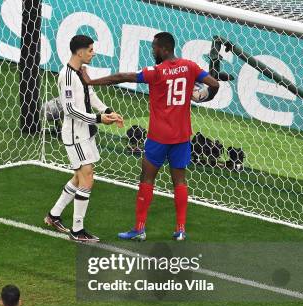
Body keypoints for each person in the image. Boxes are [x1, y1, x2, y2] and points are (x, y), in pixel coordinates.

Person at [82, 32, 220, 241]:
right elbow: (214, 85)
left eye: (155, 47)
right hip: (182, 136)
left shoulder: (156, 72)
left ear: (164, 49)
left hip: (158, 137)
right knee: (180, 182)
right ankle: (181, 229)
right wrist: (202, 97)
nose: (153, 50)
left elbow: (121, 77)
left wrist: (91, 82)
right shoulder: (190, 67)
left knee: (146, 179)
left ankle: (139, 229)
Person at [44, 34, 124, 242]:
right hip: (75, 134)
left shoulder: (82, 72)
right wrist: (99, 118)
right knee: (87, 178)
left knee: (79, 177)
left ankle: (53, 216)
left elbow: (91, 97)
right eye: (90, 49)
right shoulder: (67, 76)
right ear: (79, 52)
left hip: (85, 132)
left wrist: (108, 111)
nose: (93, 53)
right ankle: (77, 230)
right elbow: (70, 110)